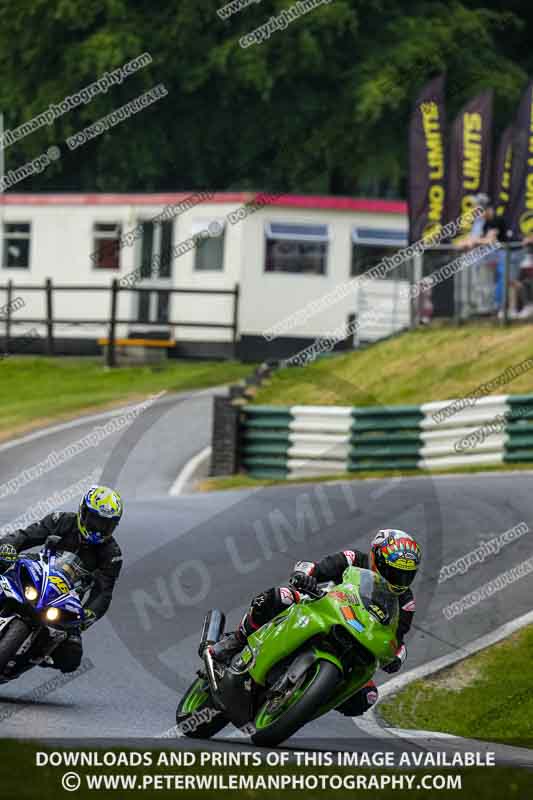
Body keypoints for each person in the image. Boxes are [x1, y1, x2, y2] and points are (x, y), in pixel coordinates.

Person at [212, 529, 421, 718]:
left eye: (406, 575)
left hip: (359, 638)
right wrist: (304, 576)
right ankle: (236, 641)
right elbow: (315, 568)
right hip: (319, 607)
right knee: (279, 596)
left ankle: (309, 699)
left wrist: (397, 656)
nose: (399, 580)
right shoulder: (354, 559)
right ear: (376, 558)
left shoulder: (405, 602)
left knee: (367, 696)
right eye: (394, 572)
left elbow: (397, 637)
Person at [0, 485, 123, 673]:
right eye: (95, 521)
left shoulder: (112, 554)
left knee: (71, 658)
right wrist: (9, 546)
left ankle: (33, 656)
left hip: (65, 599)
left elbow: (104, 592)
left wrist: (90, 613)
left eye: (106, 525)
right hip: (38, 573)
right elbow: (26, 535)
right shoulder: (62, 521)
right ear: (83, 512)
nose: (98, 530)